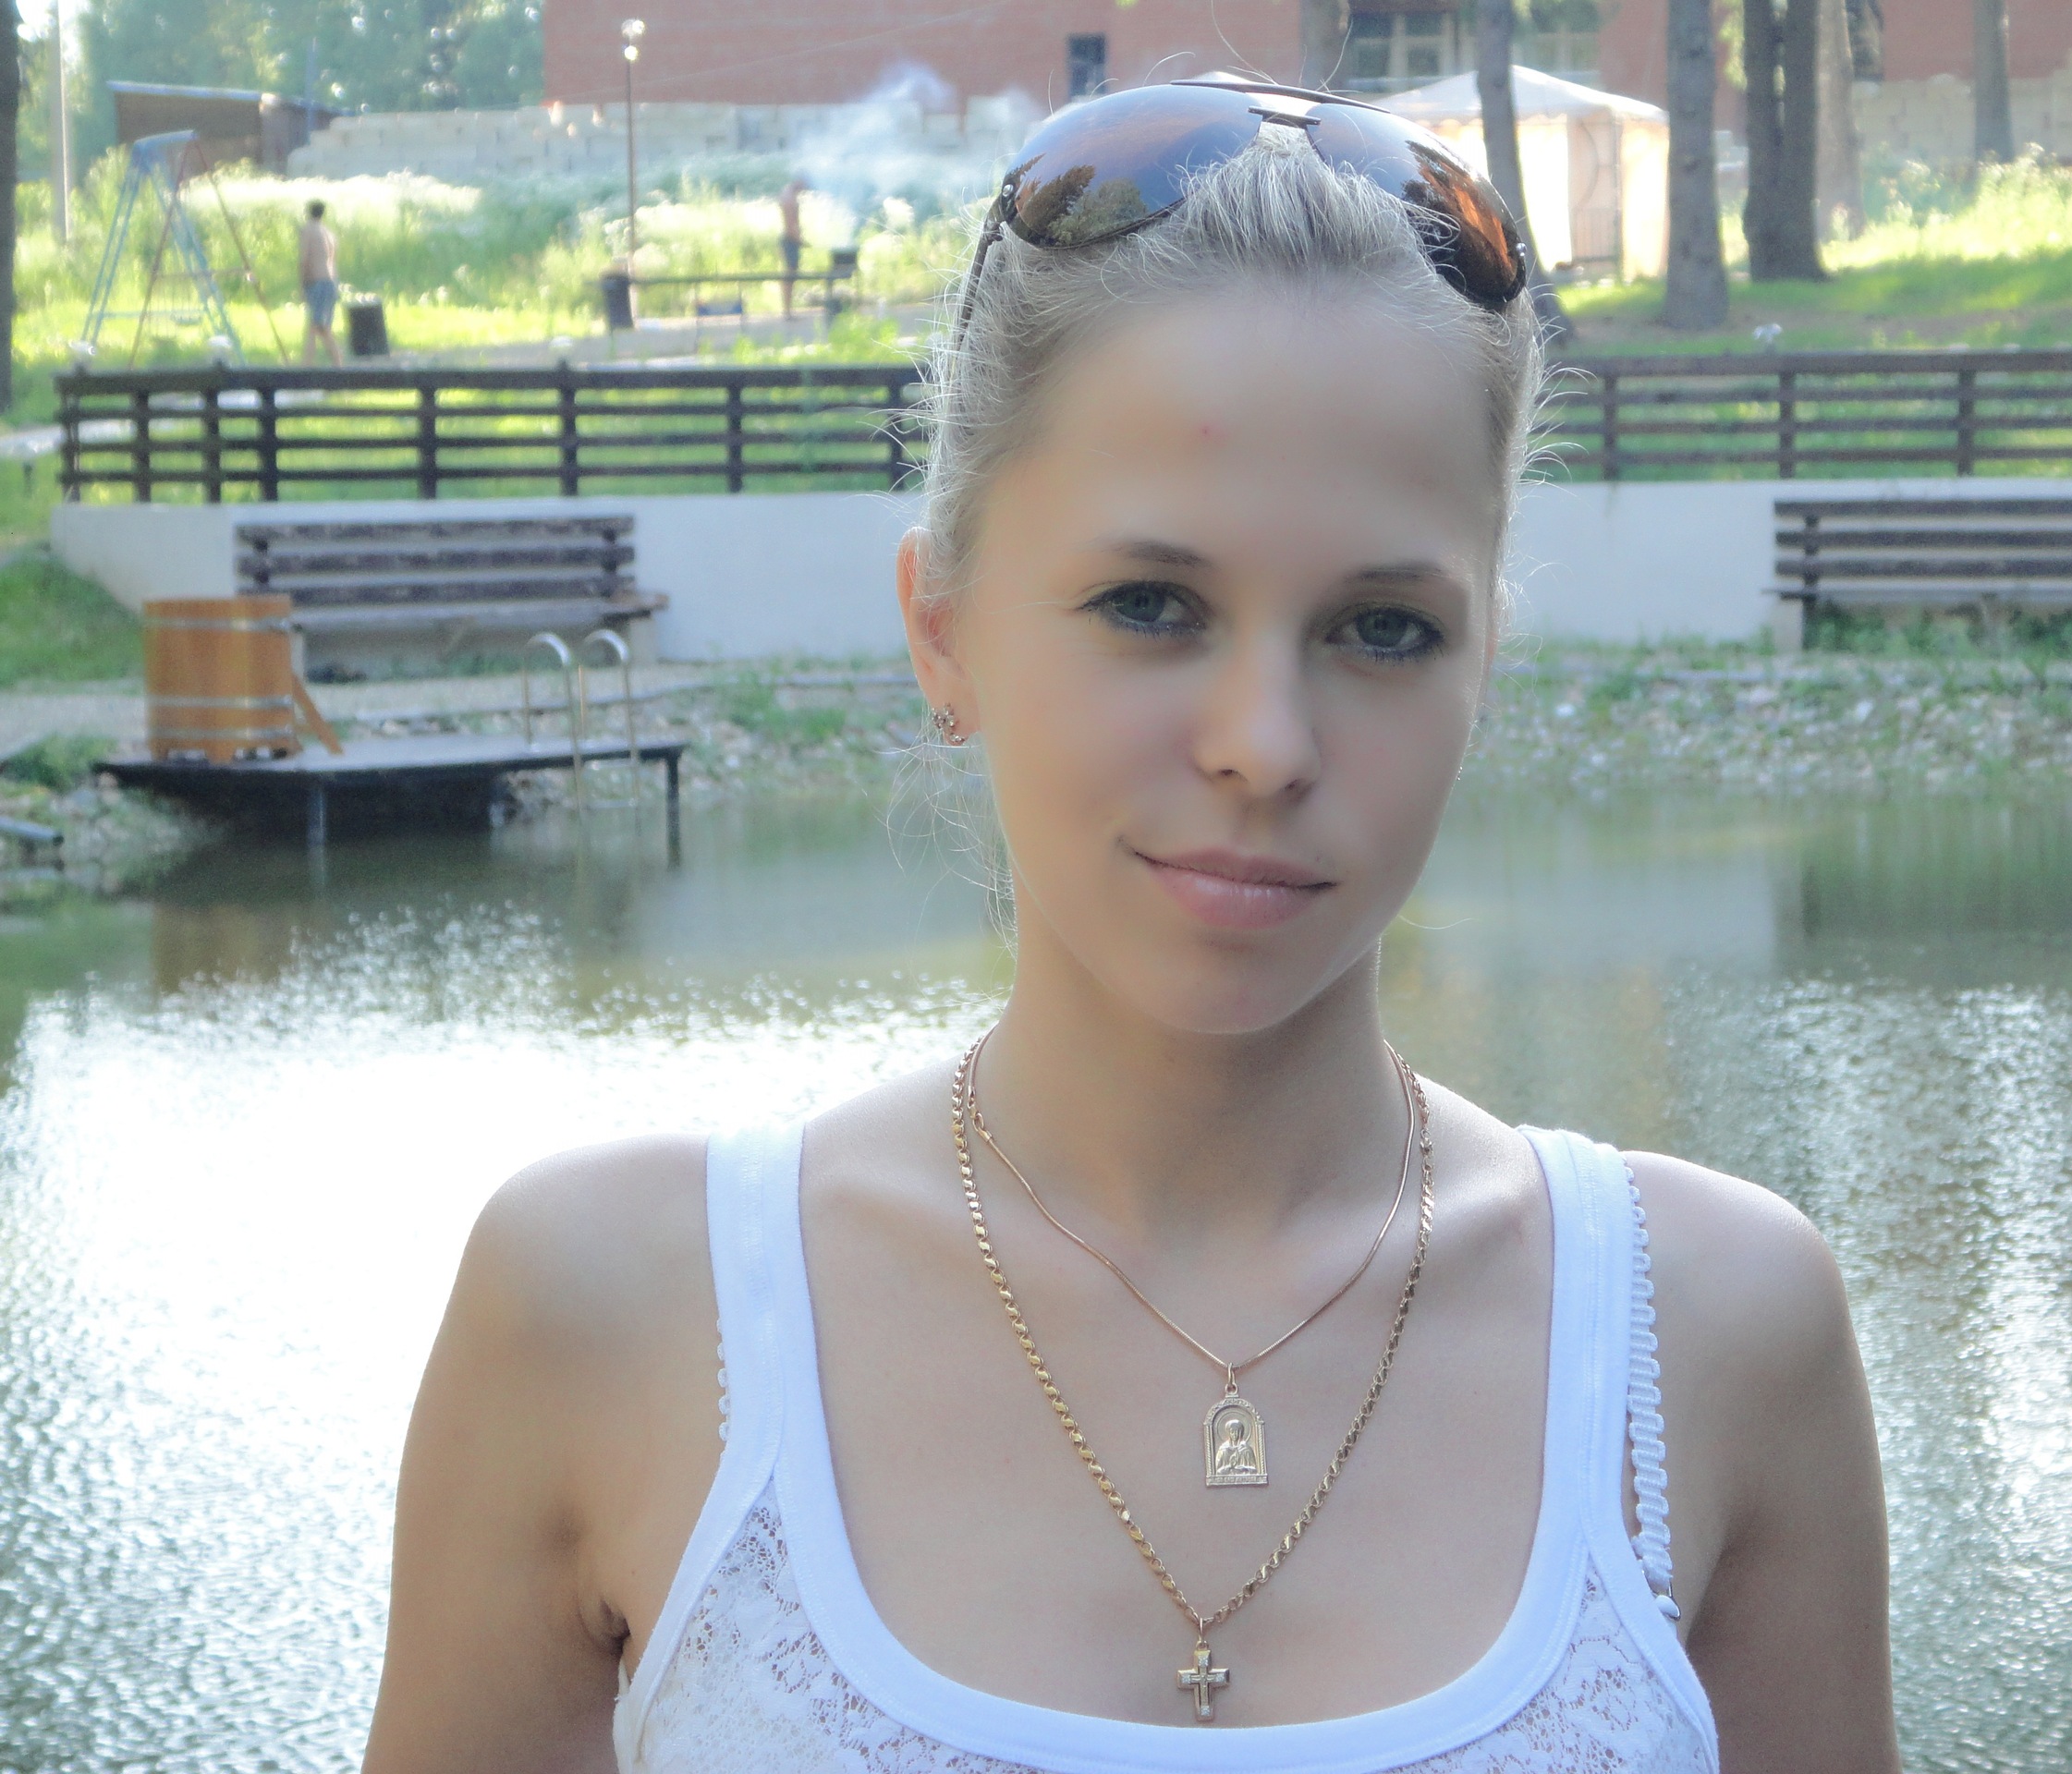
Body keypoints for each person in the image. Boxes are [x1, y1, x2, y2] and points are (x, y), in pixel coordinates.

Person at [364, 79, 1896, 1773]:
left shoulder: (1712, 1333)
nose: (1265, 745)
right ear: (942, 627)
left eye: (1383, 630)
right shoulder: (613, 1309)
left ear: (1485, 663)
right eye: (1151, 606)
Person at [298, 199, 341, 366]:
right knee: (322, 327)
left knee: (315, 327)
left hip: (317, 282)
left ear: (308, 212)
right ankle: (337, 363)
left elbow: (304, 259)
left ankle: (308, 366)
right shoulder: (328, 233)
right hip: (331, 281)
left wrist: (302, 284)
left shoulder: (308, 230)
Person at [780, 175, 809, 315]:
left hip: (791, 239)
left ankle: (788, 309)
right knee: (790, 276)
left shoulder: (789, 195)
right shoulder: (789, 198)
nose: (805, 187)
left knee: (791, 275)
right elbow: (790, 225)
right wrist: (800, 240)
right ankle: (787, 310)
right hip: (790, 240)